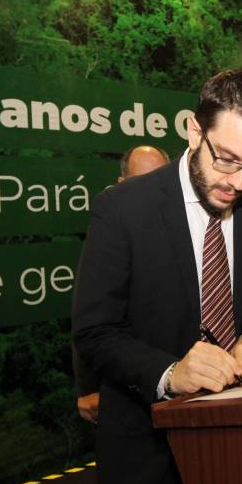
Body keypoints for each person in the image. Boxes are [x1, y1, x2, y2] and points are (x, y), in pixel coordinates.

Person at [72, 69, 242, 484]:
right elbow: (95, 332)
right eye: (226, 159)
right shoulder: (122, 209)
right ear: (194, 131)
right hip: (147, 454)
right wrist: (171, 374)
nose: (238, 182)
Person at [72, 144, 171, 423]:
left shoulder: (186, 225)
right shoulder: (112, 230)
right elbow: (91, 313)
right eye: (141, 181)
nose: (150, 191)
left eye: (159, 180)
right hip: (125, 385)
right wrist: (88, 387)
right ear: (121, 184)